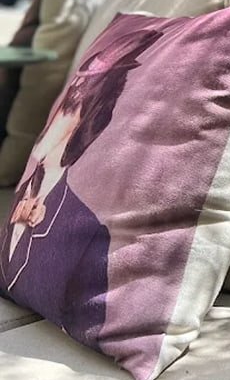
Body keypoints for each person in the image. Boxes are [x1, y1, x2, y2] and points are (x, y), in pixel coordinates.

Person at [0, 27, 162, 348]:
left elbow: (92, 320)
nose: (54, 117)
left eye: (68, 108)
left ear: (86, 121)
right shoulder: (28, 193)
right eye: (63, 105)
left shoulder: (89, 235)